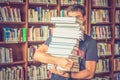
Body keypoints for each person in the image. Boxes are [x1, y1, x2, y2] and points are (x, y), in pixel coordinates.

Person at [33, 4, 98, 80]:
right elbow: (37, 55)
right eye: (71, 18)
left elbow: (90, 73)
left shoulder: (90, 42)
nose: (74, 21)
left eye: (78, 17)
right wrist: (58, 61)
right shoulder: (56, 36)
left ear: (84, 18)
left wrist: (67, 75)